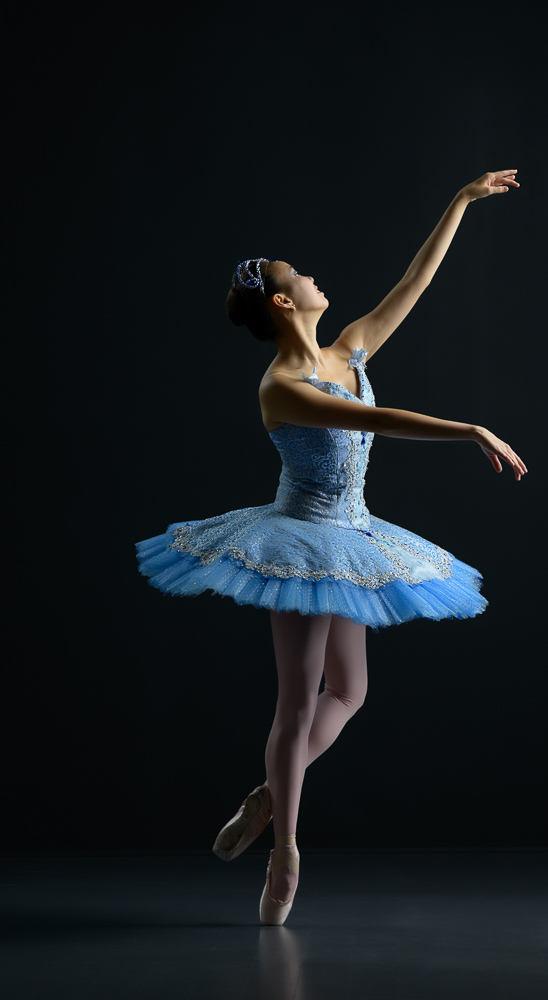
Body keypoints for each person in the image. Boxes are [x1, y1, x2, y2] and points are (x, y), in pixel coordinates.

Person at [135, 169, 526, 925]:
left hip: (354, 535)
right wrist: (470, 429)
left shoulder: (349, 351)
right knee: (298, 699)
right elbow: (376, 423)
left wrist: (461, 202)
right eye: (301, 275)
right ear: (285, 302)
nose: (317, 278)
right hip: (297, 540)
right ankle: (284, 853)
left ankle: (266, 796)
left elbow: (413, 285)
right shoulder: (281, 385)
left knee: (350, 692)